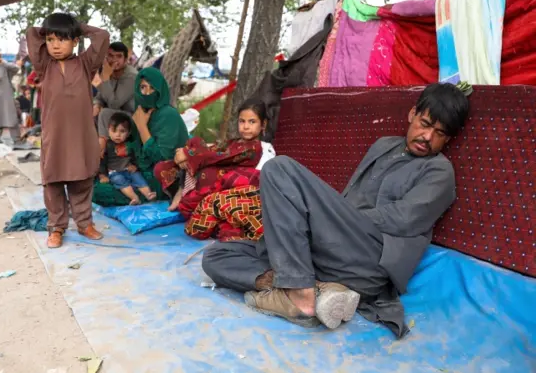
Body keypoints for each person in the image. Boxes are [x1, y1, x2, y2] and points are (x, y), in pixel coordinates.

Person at [202, 83, 470, 337]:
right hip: (330, 254)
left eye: (440, 133)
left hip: (368, 261)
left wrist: (323, 219)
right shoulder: (384, 145)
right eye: (425, 124)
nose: (428, 137)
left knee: (278, 168)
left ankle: (299, 296)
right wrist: (316, 225)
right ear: (412, 114)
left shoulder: (439, 172)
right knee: (217, 256)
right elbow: (349, 198)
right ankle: (315, 289)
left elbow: (403, 220)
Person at [27, 12, 109, 249]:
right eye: (51, 39)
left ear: (75, 41)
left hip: (80, 135)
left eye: (62, 39)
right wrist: (52, 28)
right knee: (53, 180)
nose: (55, 45)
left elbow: (102, 36)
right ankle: (56, 227)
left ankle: (84, 224)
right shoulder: (44, 65)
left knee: (82, 179)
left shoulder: (85, 64)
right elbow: (32, 34)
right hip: (55, 134)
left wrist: (77, 27)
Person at [156, 98, 276, 216]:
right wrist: (188, 151)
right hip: (210, 172)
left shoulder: (255, 148)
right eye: (242, 121)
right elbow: (215, 149)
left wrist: (188, 153)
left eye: (252, 122)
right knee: (163, 167)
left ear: (263, 124)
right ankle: (183, 188)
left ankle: (183, 192)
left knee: (206, 172)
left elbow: (222, 156)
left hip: (225, 185)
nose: (246, 126)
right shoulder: (234, 142)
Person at [92, 67, 189, 207]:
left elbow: (162, 160)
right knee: (97, 182)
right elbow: (139, 157)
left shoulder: (168, 115)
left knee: (99, 192)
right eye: (143, 87)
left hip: (164, 178)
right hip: (139, 173)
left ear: (161, 90)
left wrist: (142, 127)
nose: (147, 93)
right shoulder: (140, 112)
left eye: (152, 88)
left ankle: (151, 195)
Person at [99, 112, 157, 205]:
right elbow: (102, 160)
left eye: (122, 131)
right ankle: (134, 198)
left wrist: (135, 166)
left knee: (138, 176)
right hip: (115, 171)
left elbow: (135, 157)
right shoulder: (107, 145)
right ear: (108, 130)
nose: (118, 135)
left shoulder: (130, 144)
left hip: (129, 169)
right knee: (118, 179)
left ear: (128, 133)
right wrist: (102, 175)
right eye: (114, 131)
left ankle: (148, 194)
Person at [93, 41, 137, 153]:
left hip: (132, 117)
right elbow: (101, 96)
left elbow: (115, 103)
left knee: (104, 113)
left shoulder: (132, 76)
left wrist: (104, 80)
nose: (114, 60)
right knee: (91, 112)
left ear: (126, 59)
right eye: (111, 56)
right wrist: (97, 104)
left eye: (119, 56)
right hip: (117, 114)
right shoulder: (109, 72)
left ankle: (101, 150)